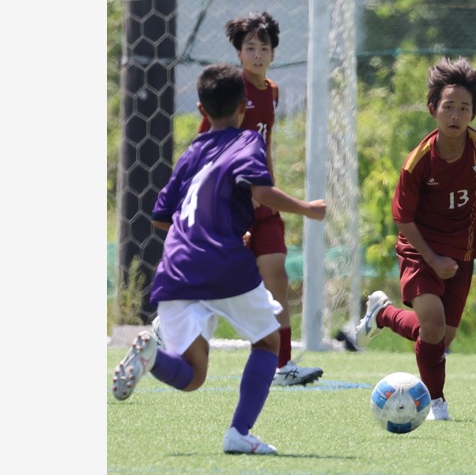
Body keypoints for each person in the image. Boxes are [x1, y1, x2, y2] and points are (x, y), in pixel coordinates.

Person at [110, 63, 327, 455]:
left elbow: (162, 218)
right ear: (244, 108)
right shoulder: (247, 142)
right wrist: (307, 208)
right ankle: (240, 433)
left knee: (192, 375)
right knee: (267, 340)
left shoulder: (192, 153)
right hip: (223, 263)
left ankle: (151, 356)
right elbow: (261, 191)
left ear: (200, 110)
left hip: (176, 269)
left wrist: (211, 230)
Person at [354, 57, 476, 421]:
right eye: (448, 106)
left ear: (473, 113)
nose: (455, 115)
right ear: (433, 109)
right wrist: (432, 259)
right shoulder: (418, 162)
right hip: (420, 249)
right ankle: (436, 401)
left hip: (461, 254)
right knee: (430, 326)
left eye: (464, 108)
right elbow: (403, 219)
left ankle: (382, 314)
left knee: (441, 338)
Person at [198, 11, 323, 387]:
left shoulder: (272, 91)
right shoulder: (229, 93)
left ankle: (282, 367)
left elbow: (262, 145)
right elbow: (206, 144)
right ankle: (164, 333)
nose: (256, 54)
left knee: (277, 277)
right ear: (238, 53)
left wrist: (266, 186)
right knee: (215, 284)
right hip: (231, 205)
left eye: (263, 47)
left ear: (273, 53)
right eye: (249, 47)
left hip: (263, 200)